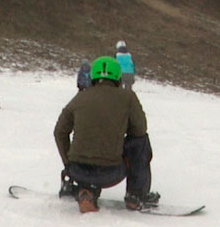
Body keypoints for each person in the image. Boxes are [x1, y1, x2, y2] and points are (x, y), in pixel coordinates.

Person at [53, 56, 158, 213]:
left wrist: (69, 164)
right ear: (118, 77)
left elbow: (59, 132)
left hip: (77, 171)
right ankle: (136, 196)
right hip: (110, 173)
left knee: (87, 159)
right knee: (140, 142)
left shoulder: (80, 97)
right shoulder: (127, 97)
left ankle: (86, 190)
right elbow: (139, 130)